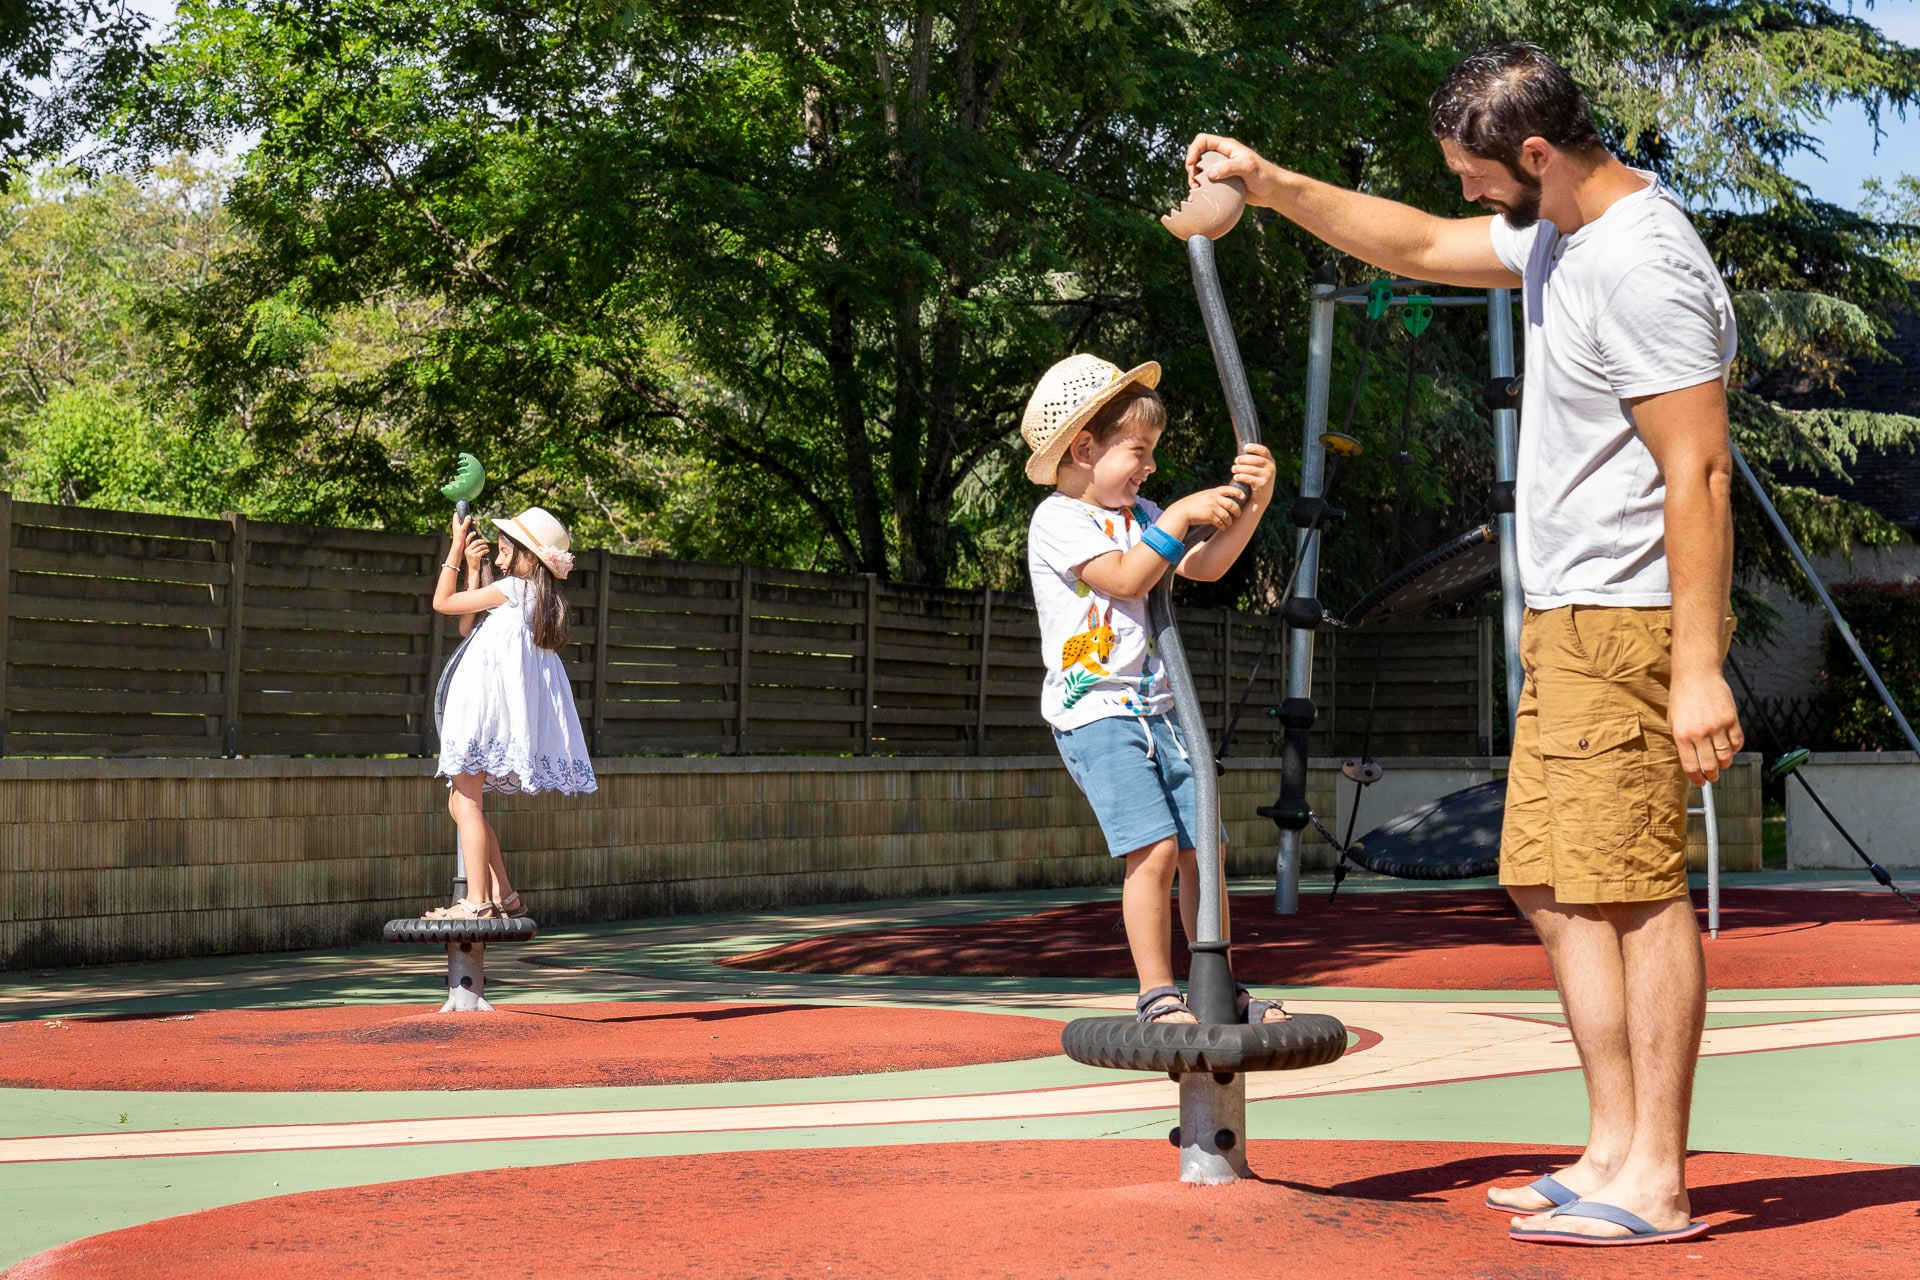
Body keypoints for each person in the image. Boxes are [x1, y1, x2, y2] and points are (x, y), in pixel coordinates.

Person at [1183, 42, 1743, 1246]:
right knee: (1549, 880)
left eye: (1480, 174)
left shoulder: (1640, 264)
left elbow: (1697, 468)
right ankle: (1609, 1145)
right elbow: (1422, 245)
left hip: (1628, 622)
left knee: (1634, 894)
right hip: (1566, 621)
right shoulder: (1559, 233)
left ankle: (1656, 1177)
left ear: (1535, 153)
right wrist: (1271, 180)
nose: (1474, 196)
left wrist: (1697, 665)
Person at [1022, 352, 1287, 1027]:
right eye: (1138, 451)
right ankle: (1156, 992)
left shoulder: (1140, 510)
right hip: (1098, 714)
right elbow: (1124, 578)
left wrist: (1251, 503)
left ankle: (1216, 985)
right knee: (1157, 849)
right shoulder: (1059, 520)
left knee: (1207, 846)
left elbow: (1203, 565)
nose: (1150, 467)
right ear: (1084, 448)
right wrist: (1178, 518)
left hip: (1160, 711)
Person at [425, 506, 597, 920]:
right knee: (460, 802)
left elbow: (442, 603)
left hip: (485, 709)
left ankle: (478, 901)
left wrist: (453, 546)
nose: (499, 561)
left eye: (505, 553)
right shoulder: (532, 597)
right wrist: (472, 568)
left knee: (465, 801)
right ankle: (503, 893)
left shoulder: (517, 590)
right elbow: (470, 627)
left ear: (529, 558)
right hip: (495, 708)